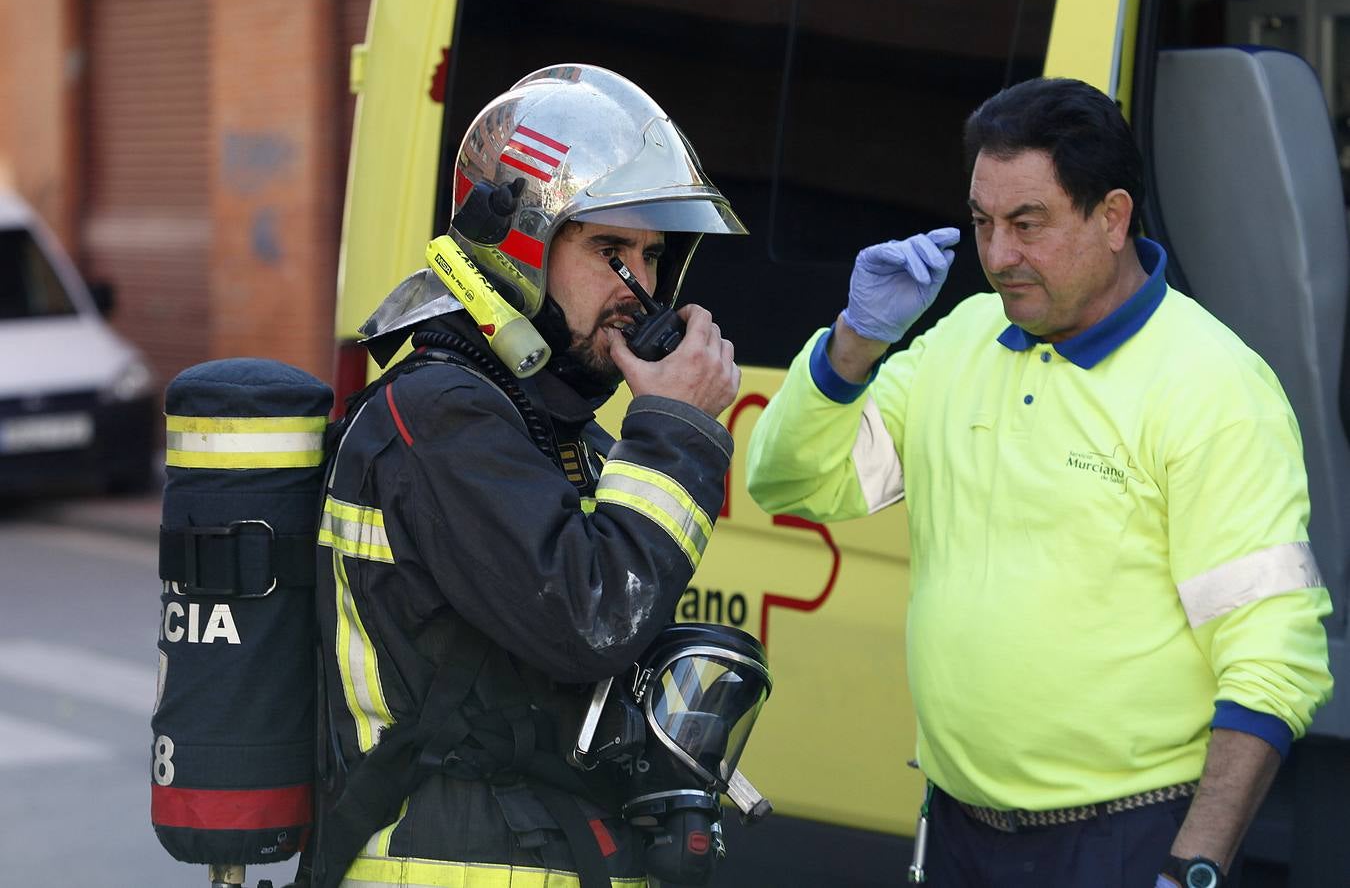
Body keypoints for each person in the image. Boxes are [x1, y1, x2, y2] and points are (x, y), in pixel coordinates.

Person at [745, 77, 1333, 887]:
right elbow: (790, 485)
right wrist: (853, 342)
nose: (997, 258)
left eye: (1028, 225)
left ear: (1114, 217)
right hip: (956, 831)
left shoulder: (1213, 387)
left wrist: (1191, 866)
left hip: (1122, 845)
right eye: (983, 223)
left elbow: (1273, 660)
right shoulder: (964, 338)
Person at [312, 64, 743, 888]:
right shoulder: (442, 417)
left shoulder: (545, 423)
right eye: (610, 250)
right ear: (521, 246)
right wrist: (676, 433)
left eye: (653, 257)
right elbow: (594, 619)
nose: (641, 291)